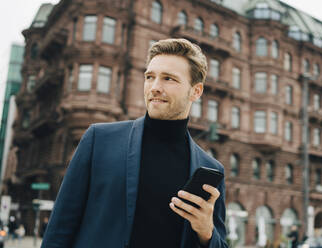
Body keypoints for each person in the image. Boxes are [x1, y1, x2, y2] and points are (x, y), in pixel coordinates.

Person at [41, 38, 227, 248]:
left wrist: (206, 232)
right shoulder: (99, 140)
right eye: (150, 77)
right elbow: (59, 230)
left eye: (169, 79)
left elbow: (220, 243)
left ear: (196, 91)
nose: (155, 87)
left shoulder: (210, 169)